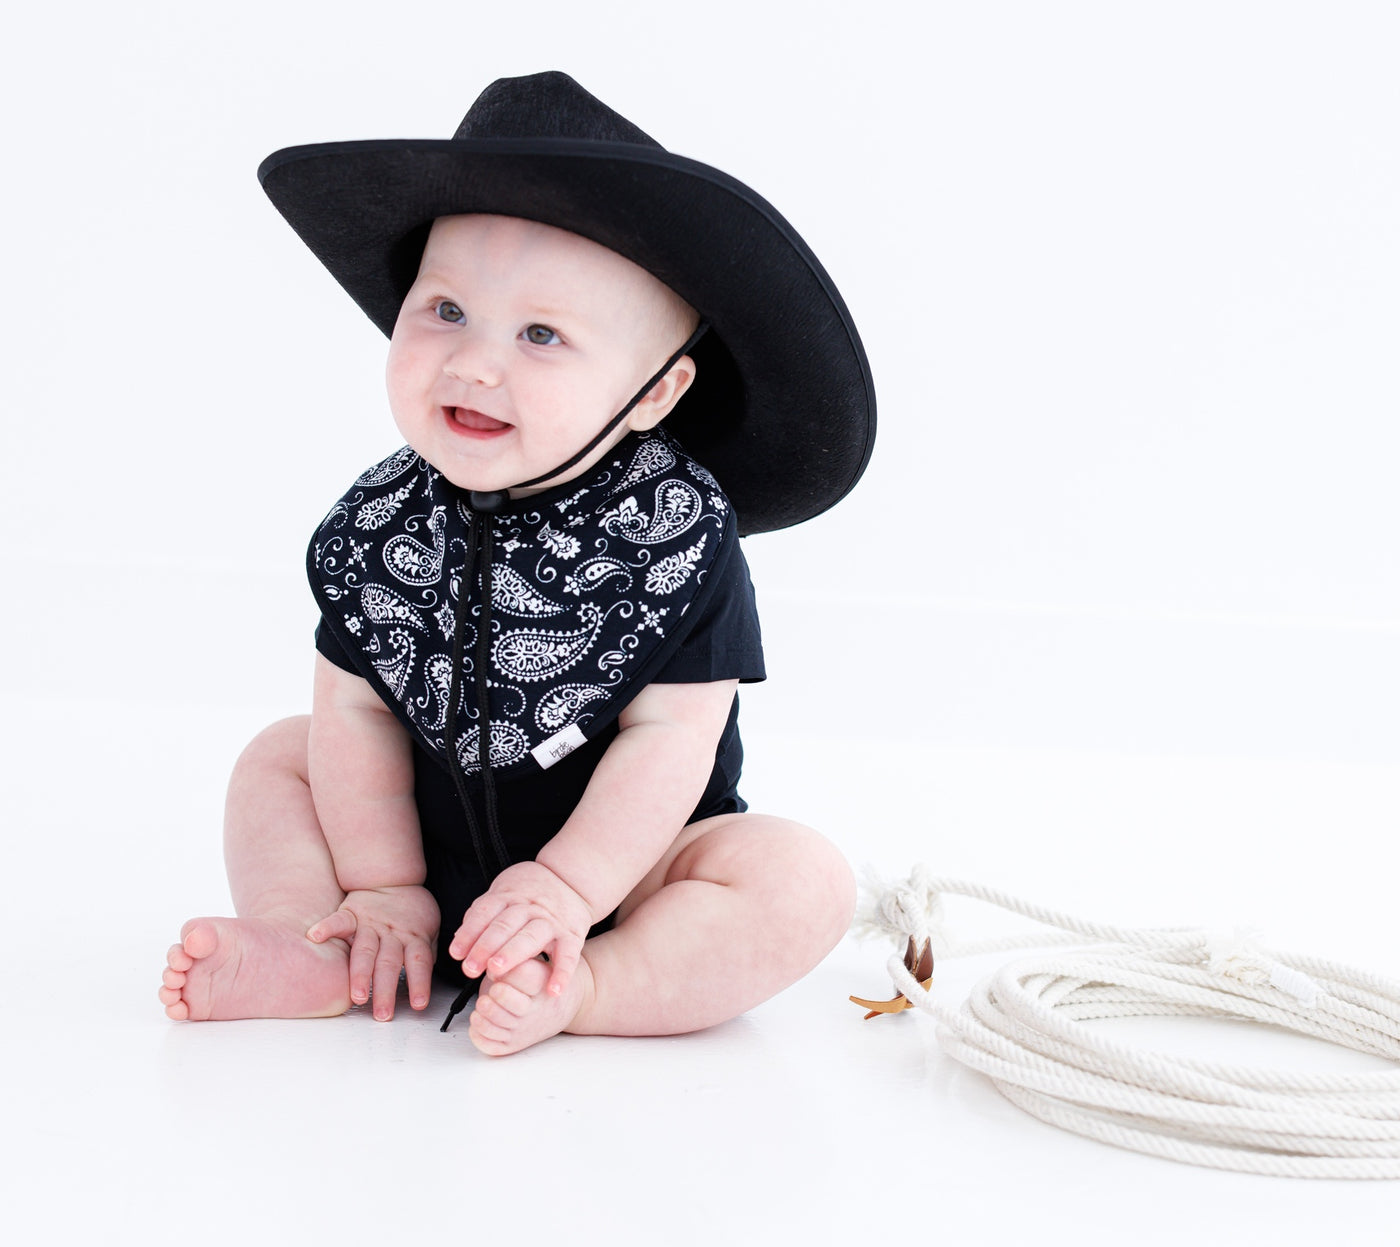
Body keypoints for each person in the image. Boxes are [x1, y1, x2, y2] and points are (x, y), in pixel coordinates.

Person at [159, 72, 876, 1056]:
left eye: (540, 334)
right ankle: (323, 942)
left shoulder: (673, 539)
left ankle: (586, 987)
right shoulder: (378, 525)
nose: (475, 362)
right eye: (445, 310)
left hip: (626, 874)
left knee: (795, 878)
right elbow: (355, 710)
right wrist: (381, 884)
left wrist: (570, 889)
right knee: (281, 757)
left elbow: (669, 738)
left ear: (655, 392)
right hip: (409, 848)